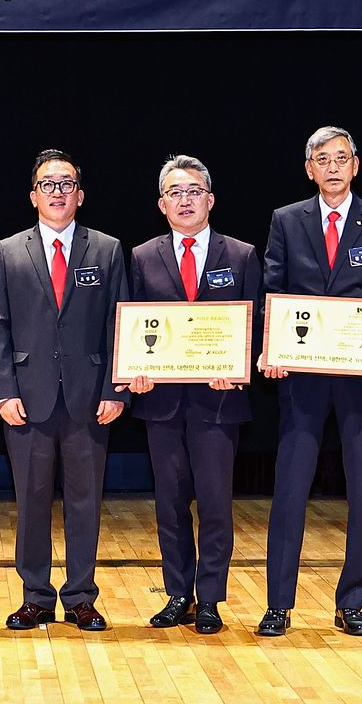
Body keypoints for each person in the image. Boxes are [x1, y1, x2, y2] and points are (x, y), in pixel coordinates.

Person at [259, 126, 362, 637]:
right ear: (309, 169)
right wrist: (270, 348)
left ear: (356, 164)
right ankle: (278, 603)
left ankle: (353, 601)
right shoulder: (286, 220)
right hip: (300, 376)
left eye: (341, 158)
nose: (332, 166)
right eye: (322, 159)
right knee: (290, 488)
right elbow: (273, 289)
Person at [0, 149, 128, 632]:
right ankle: (36, 596)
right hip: (28, 397)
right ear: (33, 195)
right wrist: (3, 393)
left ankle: (82, 596)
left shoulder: (107, 250)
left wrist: (116, 388)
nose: (57, 192)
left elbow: (117, 325)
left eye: (66, 183)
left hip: (91, 398)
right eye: (48, 184)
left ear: (80, 194)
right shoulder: (7, 251)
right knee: (31, 500)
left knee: (85, 500)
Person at [125, 155, 259, 636]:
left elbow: (255, 324)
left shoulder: (241, 254)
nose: (186, 200)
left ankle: (210, 600)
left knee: (216, 504)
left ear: (211, 199)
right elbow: (131, 324)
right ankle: (177, 593)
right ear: (162, 204)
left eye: (194, 191)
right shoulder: (142, 256)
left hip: (219, 403)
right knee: (169, 502)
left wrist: (239, 370)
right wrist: (134, 372)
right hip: (161, 402)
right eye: (176, 193)